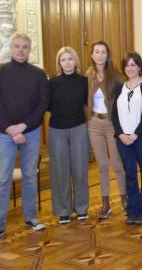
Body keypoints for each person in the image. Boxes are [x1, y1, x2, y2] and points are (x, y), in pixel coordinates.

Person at [0, 33, 49, 245]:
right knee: (2, 180)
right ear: (11, 48)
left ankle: (30, 218)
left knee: (30, 176)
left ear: (30, 50)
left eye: (25, 47)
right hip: (5, 134)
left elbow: (42, 104)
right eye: (17, 46)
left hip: (31, 132)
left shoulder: (38, 74)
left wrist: (24, 126)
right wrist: (12, 129)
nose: (21, 50)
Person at [112, 52, 142, 225]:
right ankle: (133, 209)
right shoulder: (119, 88)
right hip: (123, 139)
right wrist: (121, 133)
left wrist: (135, 133)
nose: (130, 68)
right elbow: (114, 114)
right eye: (127, 65)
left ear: (139, 67)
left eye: (133, 65)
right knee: (130, 173)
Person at [48, 47, 89, 224]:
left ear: (75, 61)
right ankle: (63, 210)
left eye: (70, 59)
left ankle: (81, 208)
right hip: (57, 130)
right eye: (63, 59)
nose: (67, 62)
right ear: (59, 63)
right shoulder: (52, 83)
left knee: (80, 169)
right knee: (60, 171)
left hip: (79, 128)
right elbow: (47, 105)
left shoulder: (84, 82)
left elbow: (90, 102)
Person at [86, 41, 127, 219]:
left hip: (111, 125)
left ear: (107, 55)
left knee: (117, 164)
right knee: (102, 165)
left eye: (103, 52)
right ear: (92, 55)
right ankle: (105, 202)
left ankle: (124, 199)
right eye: (97, 52)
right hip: (94, 124)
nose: (100, 55)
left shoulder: (116, 76)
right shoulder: (88, 75)